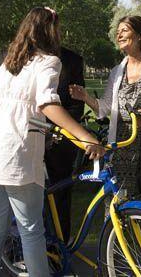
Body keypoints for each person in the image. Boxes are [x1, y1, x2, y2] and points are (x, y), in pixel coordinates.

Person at [0, 7, 105, 277]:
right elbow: (47, 103)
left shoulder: (10, 63)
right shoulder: (49, 61)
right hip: (16, 152)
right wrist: (85, 136)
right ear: (51, 30)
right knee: (31, 230)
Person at [70, 16, 141, 213]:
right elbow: (105, 107)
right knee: (119, 205)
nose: (118, 34)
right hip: (121, 149)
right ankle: (119, 244)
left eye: (124, 30)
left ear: (140, 36)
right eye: (117, 31)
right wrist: (85, 97)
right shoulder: (116, 72)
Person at [44, 46, 85, 242]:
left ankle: (60, 244)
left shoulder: (72, 59)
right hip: (27, 136)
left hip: (60, 139)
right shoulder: (22, 56)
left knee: (60, 193)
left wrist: (58, 132)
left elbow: (76, 104)